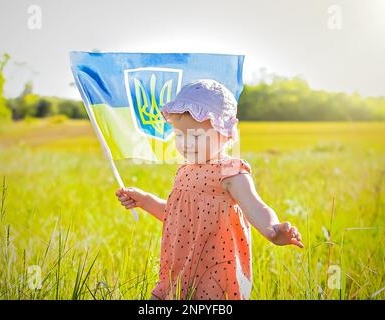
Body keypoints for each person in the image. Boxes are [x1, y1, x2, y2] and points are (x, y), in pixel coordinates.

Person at [115, 79, 304, 300]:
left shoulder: (231, 172)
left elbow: (256, 206)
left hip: (213, 272)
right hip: (180, 267)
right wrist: (145, 201)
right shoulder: (184, 171)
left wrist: (272, 229)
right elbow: (178, 216)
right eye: (179, 135)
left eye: (195, 136)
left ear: (225, 134)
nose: (185, 143)